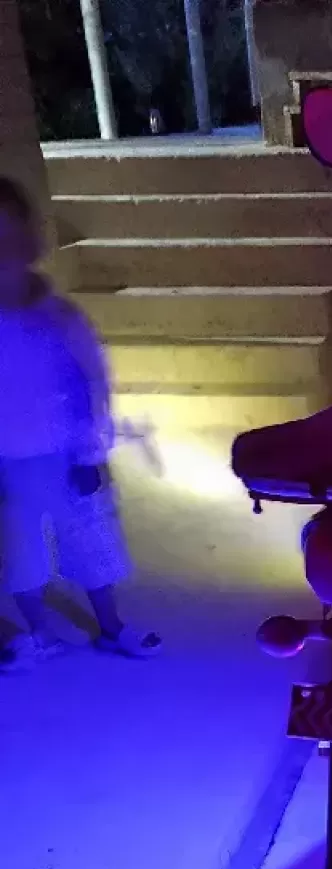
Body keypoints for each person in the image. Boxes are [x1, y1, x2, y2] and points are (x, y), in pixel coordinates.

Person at [0, 175, 160, 670]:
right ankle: (38, 632)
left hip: (68, 455)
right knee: (20, 552)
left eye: (11, 236)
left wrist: (91, 451)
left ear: (30, 241)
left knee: (91, 541)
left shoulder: (62, 317)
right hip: (8, 464)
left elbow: (93, 382)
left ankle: (110, 625)